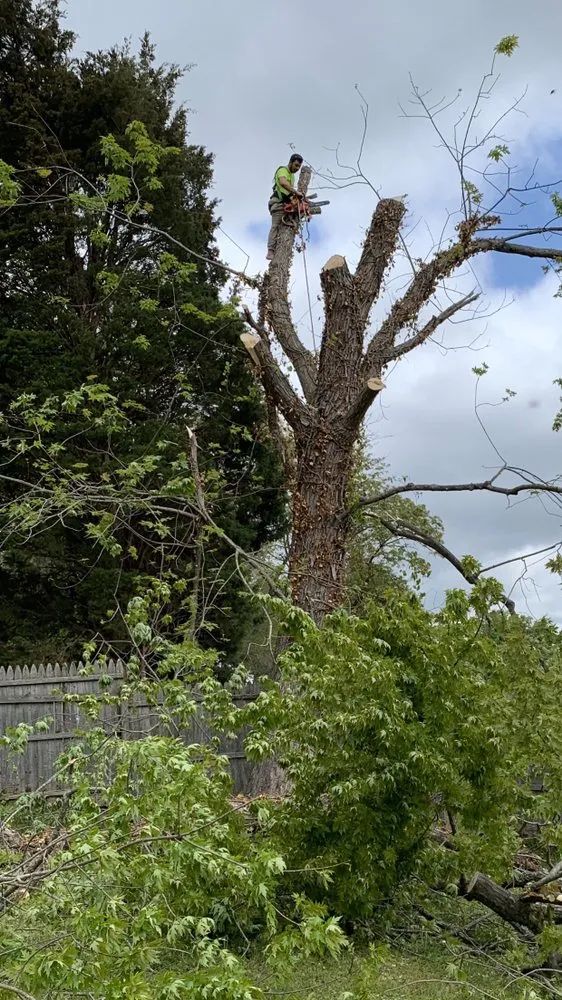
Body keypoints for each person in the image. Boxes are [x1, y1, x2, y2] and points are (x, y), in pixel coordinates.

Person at [266, 153, 304, 260]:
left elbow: (290, 193)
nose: (297, 168)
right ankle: (270, 250)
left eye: (298, 167)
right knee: (275, 226)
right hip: (278, 204)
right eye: (296, 165)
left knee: (287, 225)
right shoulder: (283, 170)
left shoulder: (292, 176)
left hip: (286, 203)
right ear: (291, 162)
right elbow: (283, 183)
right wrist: (296, 192)